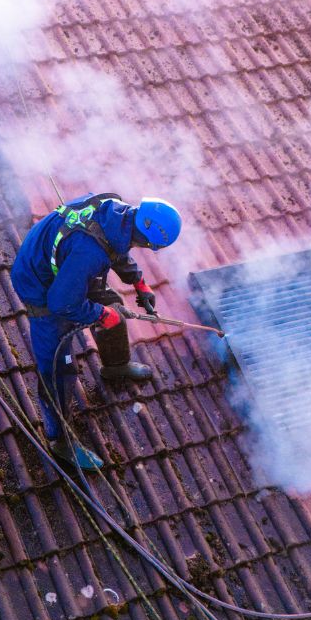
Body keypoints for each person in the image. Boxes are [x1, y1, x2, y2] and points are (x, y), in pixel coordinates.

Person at [11, 192, 182, 470]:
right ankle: (60, 440)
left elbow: (116, 246)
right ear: (149, 240)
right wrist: (101, 315)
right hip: (39, 284)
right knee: (58, 366)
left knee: (115, 304)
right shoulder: (88, 253)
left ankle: (115, 366)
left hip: (65, 266)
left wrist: (138, 282)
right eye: (152, 246)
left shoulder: (118, 212)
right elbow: (61, 302)